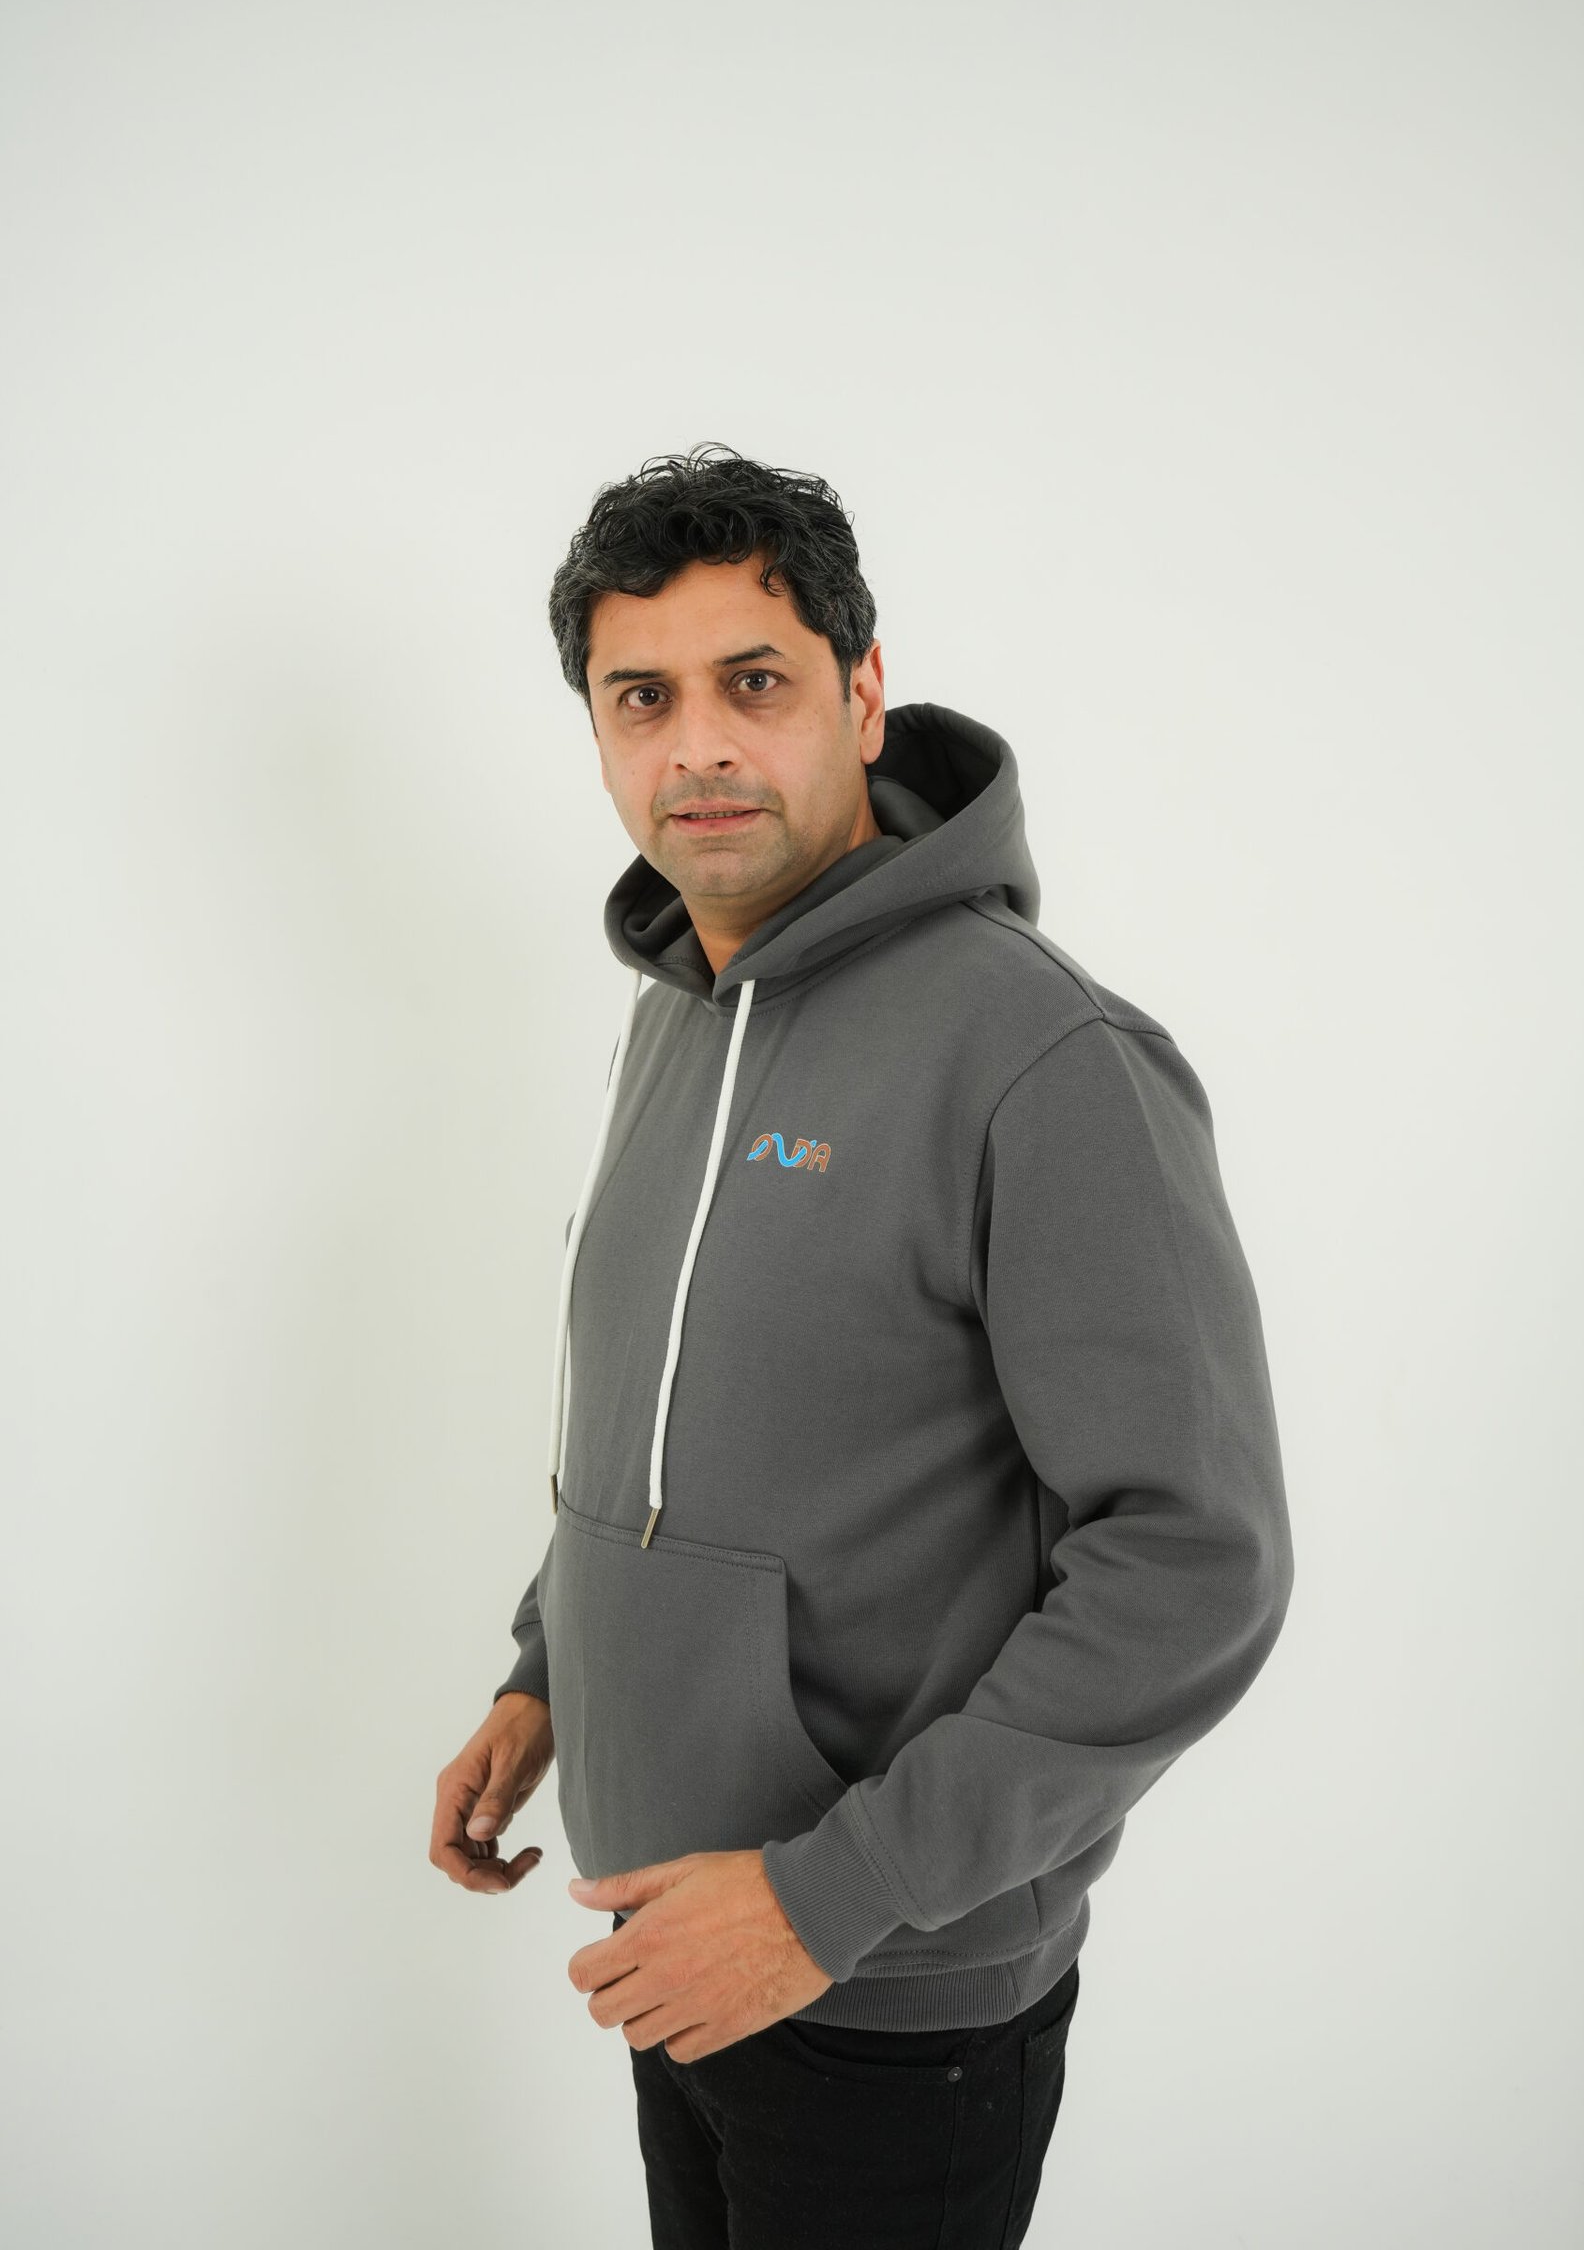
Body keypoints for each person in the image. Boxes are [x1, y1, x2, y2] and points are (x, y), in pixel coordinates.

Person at [429, 442, 1295, 2246]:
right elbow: (670, 1416)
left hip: (889, 1988)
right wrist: (548, 1672)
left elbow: (1194, 1562)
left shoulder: (1044, 1060)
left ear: (863, 694)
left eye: (754, 683)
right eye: (641, 698)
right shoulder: (679, 1016)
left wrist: (831, 1897)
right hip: (674, 1931)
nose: (698, 748)